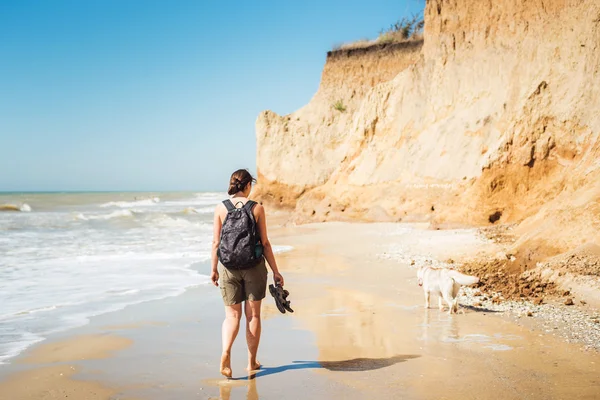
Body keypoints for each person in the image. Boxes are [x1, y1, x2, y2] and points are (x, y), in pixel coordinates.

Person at [210, 169, 285, 378]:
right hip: (254, 267)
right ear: (248, 186)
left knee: (231, 316)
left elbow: (216, 242)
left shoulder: (220, 208)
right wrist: (276, 271)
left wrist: (214, 269)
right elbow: (265, 243)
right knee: (253, 315)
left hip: (228, 268)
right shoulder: (257, 208)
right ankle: (251, 362)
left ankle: (226, 352)